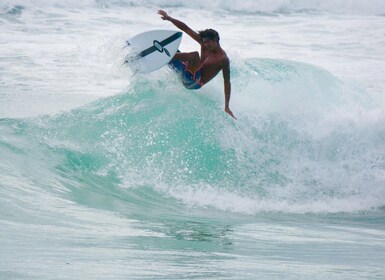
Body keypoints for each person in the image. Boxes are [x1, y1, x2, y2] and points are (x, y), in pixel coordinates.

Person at [158, 10, 236, 119]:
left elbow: (227, 82)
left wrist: (227, 106)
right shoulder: (204, 44)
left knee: (194, 55)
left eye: (208, 42)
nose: (205, 44)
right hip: (185, 73)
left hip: (194, 83)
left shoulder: (223, 59)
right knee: (172, 47)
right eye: (204, 42)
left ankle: (165, 56)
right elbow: (186, 29)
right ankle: (149, 56)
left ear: (216, 39)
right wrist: (169, 18)